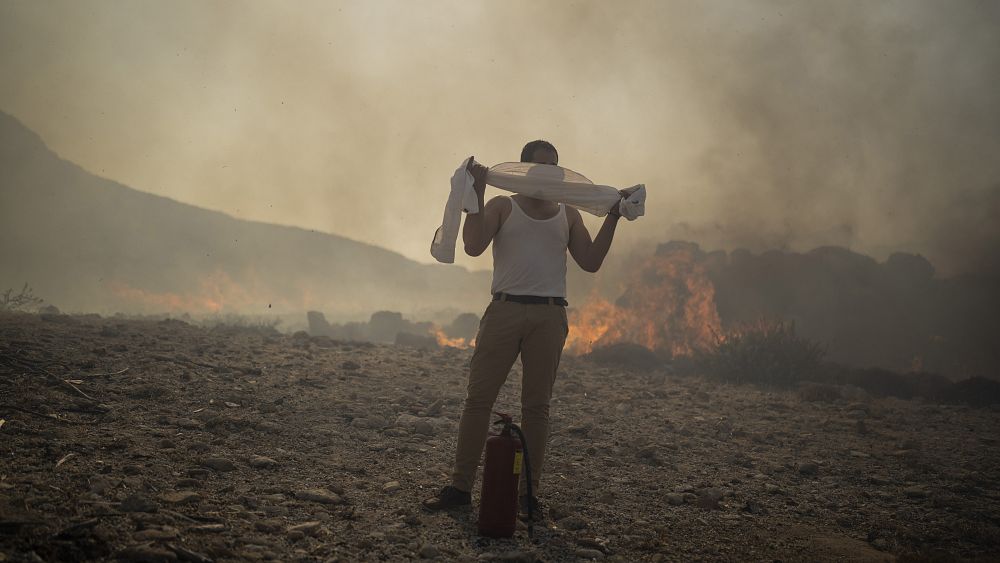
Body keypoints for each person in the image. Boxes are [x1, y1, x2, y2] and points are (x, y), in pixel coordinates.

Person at [423, 140, 627, 515]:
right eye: (540, 166)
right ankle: (460, 488)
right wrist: (479, 191)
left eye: (554, 166)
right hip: (505, 310)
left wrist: (613, 216)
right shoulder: (504, 206)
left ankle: (526, 495)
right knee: (479, 401)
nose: (547, 173)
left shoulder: (568, 214)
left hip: (550, 316)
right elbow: (472, 246)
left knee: (537, 408)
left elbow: (592, 261)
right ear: (525, 169)